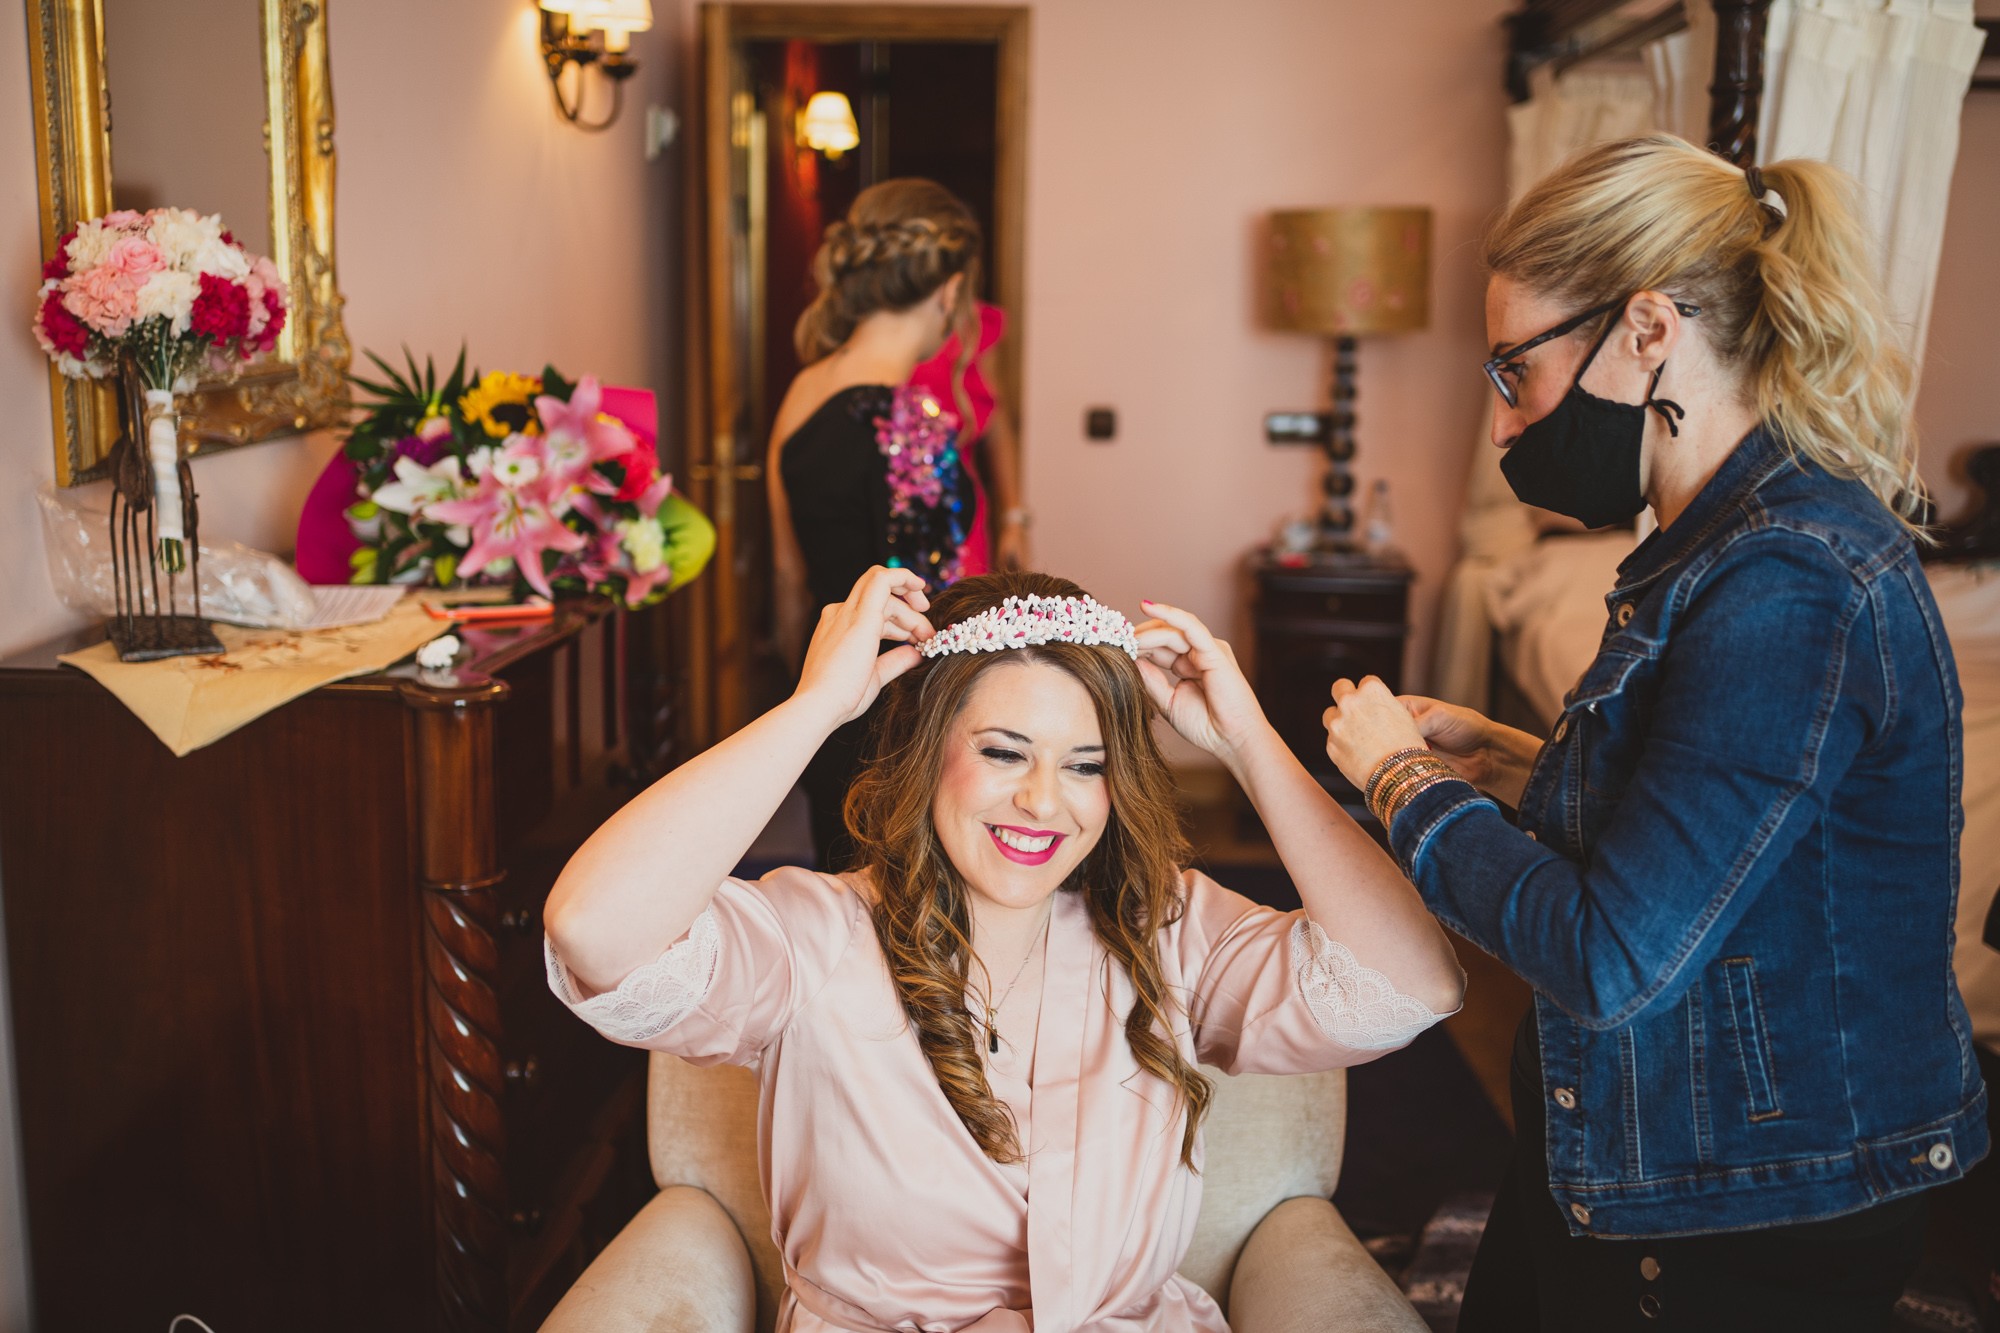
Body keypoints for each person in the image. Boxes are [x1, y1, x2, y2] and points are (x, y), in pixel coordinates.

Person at [1322, 134, 1988, 1332]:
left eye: (1511, 373)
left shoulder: (1786, 580)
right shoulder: (1718, 549)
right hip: (1646, 1143)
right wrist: (1509, 753)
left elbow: (1608, 954)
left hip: (1743, 1197)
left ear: (1644, 332)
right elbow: (1730, 827)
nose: (1501, 427)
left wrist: (1406, 780)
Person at [545, 565, 1466, 1332]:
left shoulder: (1169, 930)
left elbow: (1412, 982)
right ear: (925, 749)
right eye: (1003, 751)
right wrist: (815, 707)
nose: (1042, 801)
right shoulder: (810, 936)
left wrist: (1248, 742)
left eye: (1085, 763)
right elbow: (595, 928)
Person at [767, 178, 985, 869]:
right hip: (897, 717)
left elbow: (786, 574)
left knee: (841, 901)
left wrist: (808, 695)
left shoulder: (802, 390)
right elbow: (937, 610)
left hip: (822, 681)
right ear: (948, 289)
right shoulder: (909, 423)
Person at [910, 300, 1030, 574]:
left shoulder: (971, 324)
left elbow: (996, 425)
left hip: (958, 506)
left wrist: (1014, 519)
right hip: (884, 503)